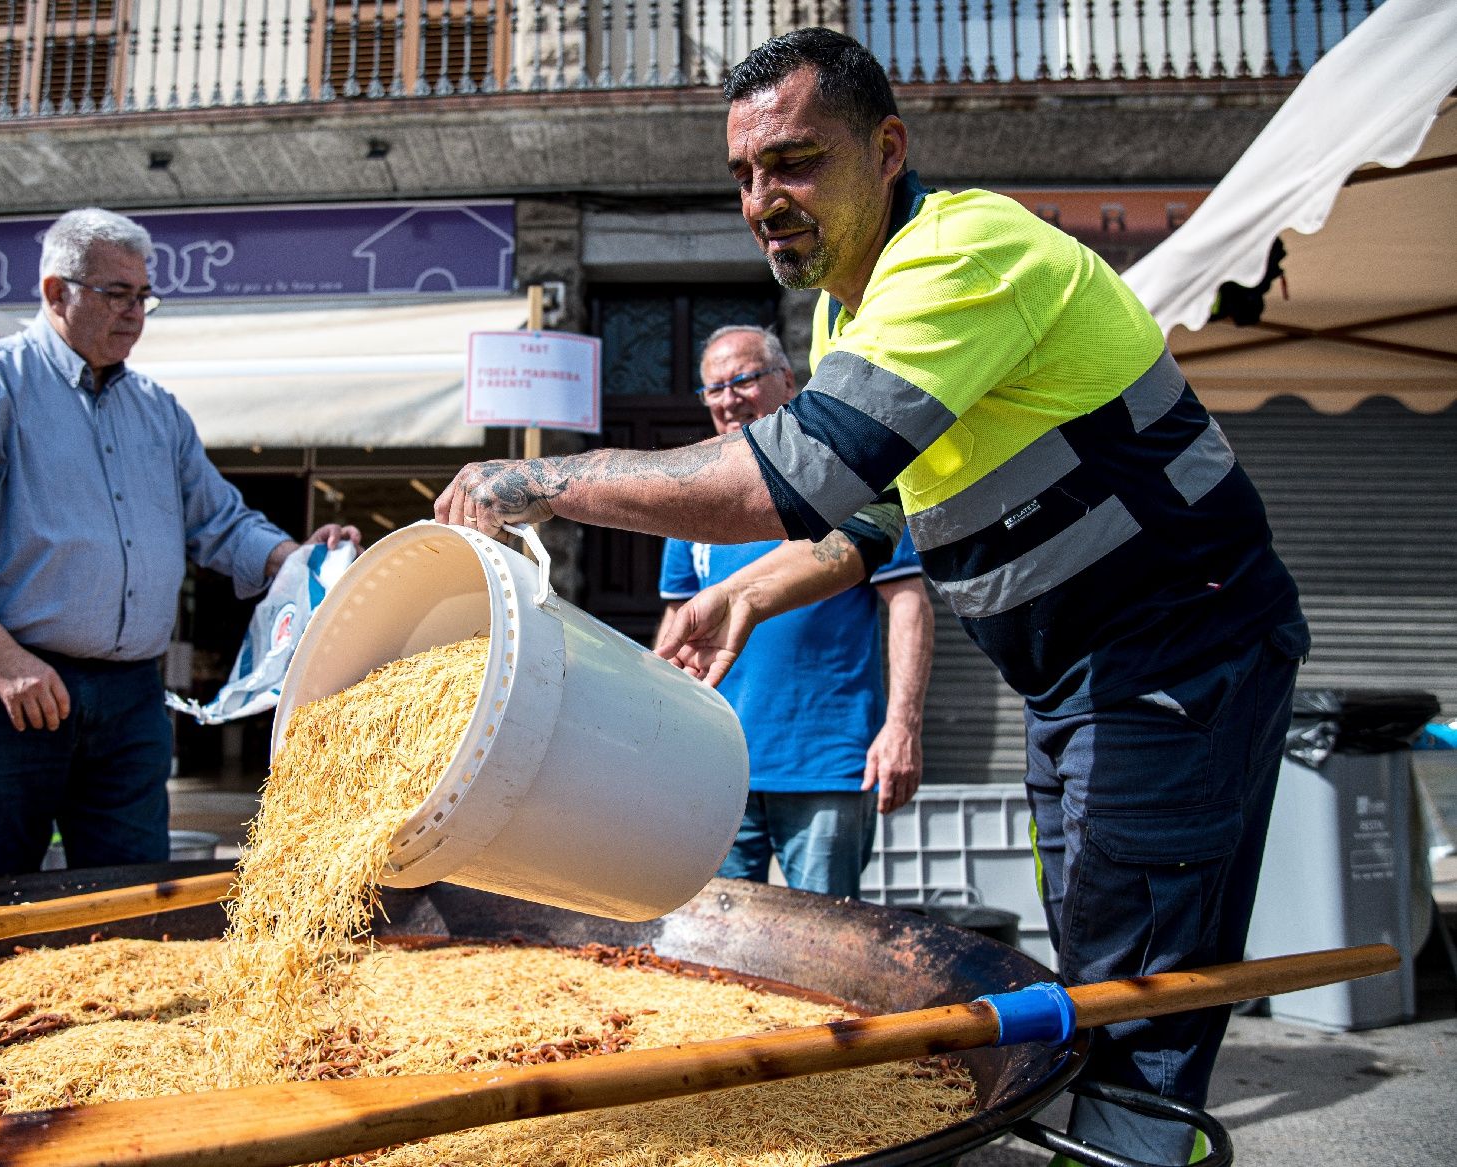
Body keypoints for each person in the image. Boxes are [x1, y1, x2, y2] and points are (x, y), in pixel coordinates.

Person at [435, 28, 1308, 1164]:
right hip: (1072, 677)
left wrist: (544, 479)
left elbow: (794, 476)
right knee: (1104, 952)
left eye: (795, 162)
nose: (764, 199)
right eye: (745, 174)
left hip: (1172, 662)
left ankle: (1144, 1143)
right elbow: (871, 523)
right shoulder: (850, 313)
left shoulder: (964, 253)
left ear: (886, 149)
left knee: (1138, 994)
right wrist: (746, 597)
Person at [0, 207, 360, 884]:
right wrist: (2, 657)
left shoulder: (158, 412)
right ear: (55, 291)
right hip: (7, 691)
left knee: (134, 898)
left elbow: (220, 522)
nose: (135, 313)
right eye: (117, 294)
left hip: (132, 699)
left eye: (144, 297)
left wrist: (304, 564)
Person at [659, 324, 934, 897]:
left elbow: (908, 603)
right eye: (714, 388)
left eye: (743, 380)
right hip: (717, 766)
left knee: (824, 940)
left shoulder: (843, 478)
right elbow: (679, 621)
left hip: (826, 760)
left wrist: (902, 727)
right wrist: (658, 725)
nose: (728, 399)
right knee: (719, 941)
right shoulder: (695, 497)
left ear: (788, 380)